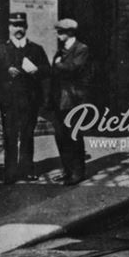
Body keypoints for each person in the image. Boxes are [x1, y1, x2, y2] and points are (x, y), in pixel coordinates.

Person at [0, 12, 50, 183]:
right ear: (9, 27)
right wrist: (6, 71)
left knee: (27, 135)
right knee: (10, 135)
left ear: (26, 27)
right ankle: (10, 171)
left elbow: (46, 70)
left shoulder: (36, 49)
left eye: (21, 26)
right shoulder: (1, 49)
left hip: (29, 100)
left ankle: (27, 169)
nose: (18, 29)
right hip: (8, 101)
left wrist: (36, 70)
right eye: (15, 25)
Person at [49, 19, 91, 185]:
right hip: (59, 99)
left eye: (61, 32)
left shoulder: (81, 49)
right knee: (60, 135)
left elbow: (74, 68)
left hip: (74, 99)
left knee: (74, 135)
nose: (58, 35)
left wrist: (59, 65)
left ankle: (78, 172)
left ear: (71, 33)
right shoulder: (61, 51)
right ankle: (67, 170)